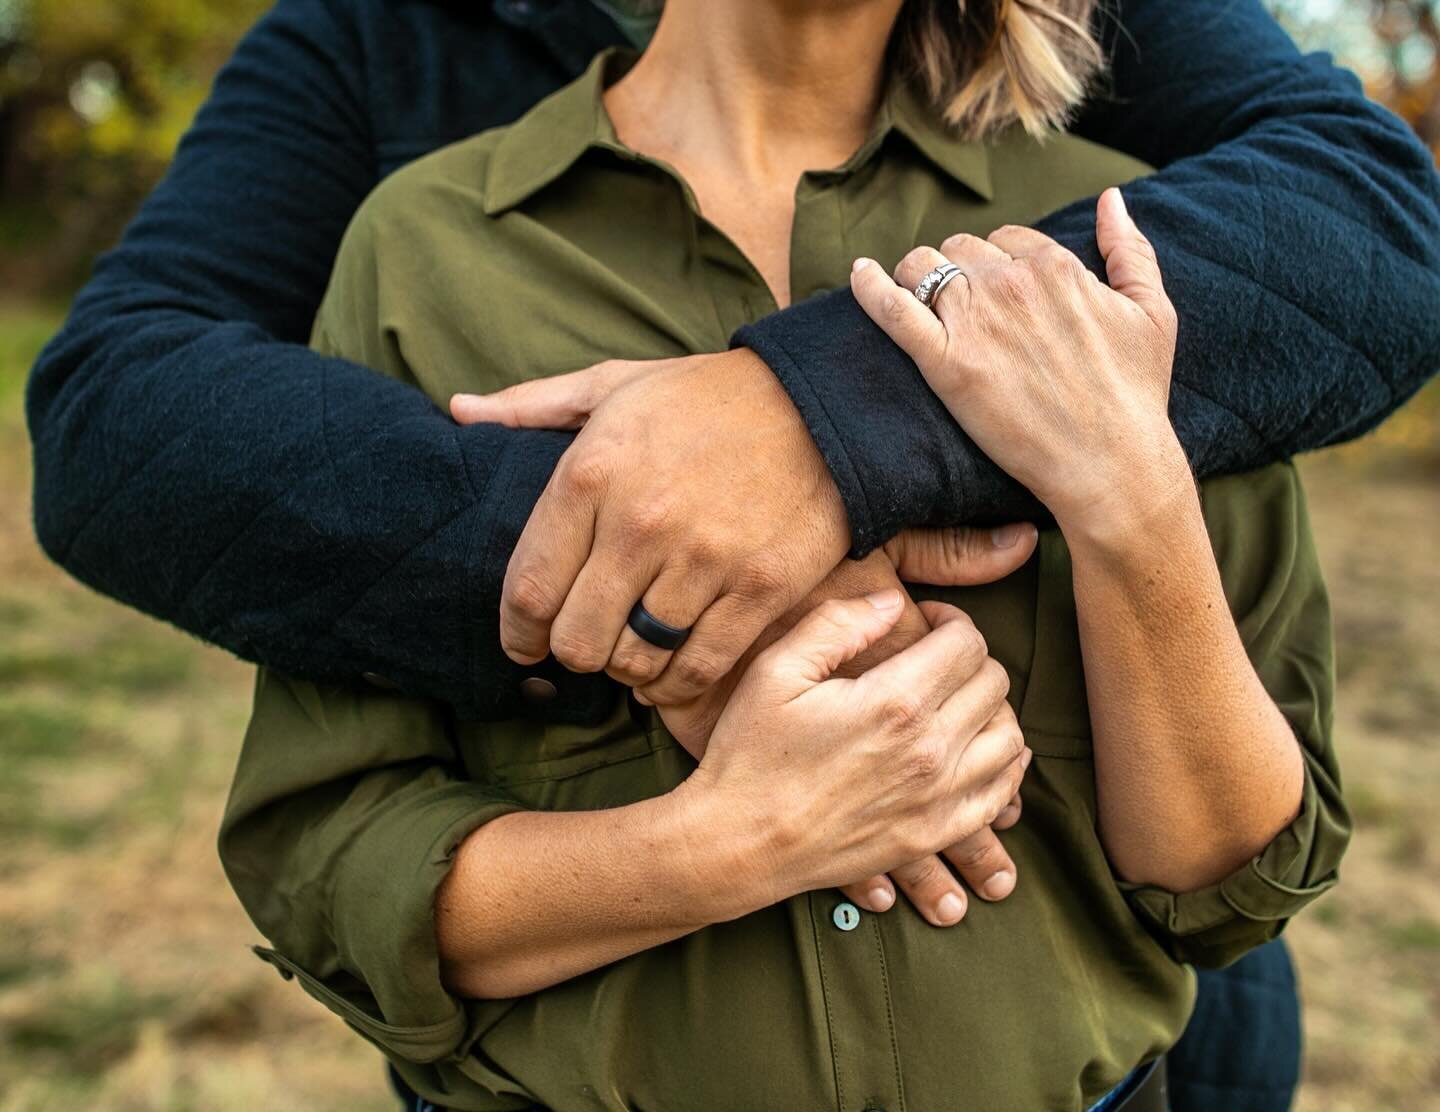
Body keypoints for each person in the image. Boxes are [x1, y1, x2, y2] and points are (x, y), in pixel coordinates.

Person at [25, 0, 1440, 1106]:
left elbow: (1248, 863)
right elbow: (327, 853)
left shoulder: (1120, 246)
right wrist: (676, 664)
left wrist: (864, 442)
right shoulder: (415, 233)